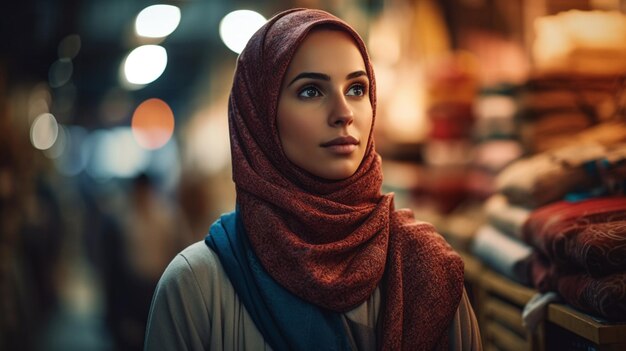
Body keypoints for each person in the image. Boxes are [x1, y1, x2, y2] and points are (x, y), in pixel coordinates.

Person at [144, 8, 481, 350]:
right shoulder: (195, 286)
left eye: (356, 89)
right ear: (260, 118)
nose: (344, 113)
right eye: (311, 91)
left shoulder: (429, 268)